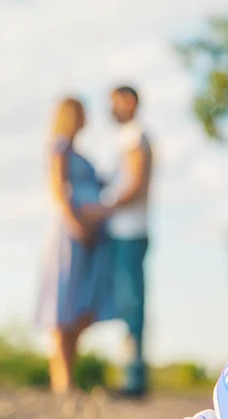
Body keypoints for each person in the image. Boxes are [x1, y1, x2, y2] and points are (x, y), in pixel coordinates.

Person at [35, 98, 113, 394]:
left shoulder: (79, 152)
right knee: (63, 300)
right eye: (81, 113)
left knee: (83, 304)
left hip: (90, 236)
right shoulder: (60, 147)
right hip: (70, 234)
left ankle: (68, 373)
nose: (86, 118)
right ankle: (62, 378)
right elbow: (57, 187)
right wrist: (75, 222)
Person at [83, 86, 152, 397]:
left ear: (130, 102)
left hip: (130, 232)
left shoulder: (135, 136)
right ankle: (130, 375)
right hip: (121, 233)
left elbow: (135, 184)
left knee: (132, 303)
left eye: (115, 101)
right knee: (126, 303)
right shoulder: (126, 138)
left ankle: (134, 379)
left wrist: (102, 210)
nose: (111, 108)